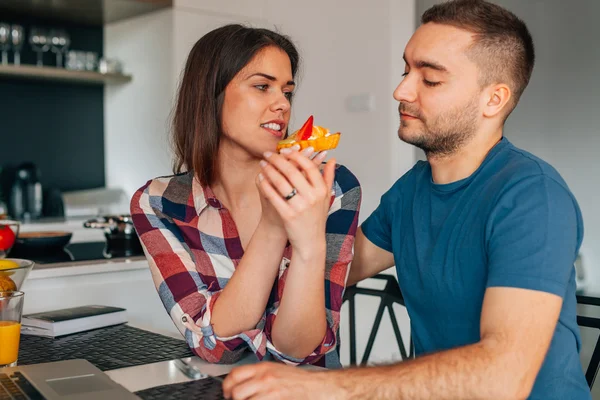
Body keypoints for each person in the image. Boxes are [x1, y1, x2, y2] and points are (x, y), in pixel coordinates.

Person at [222, 1, 592, 399]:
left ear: (494, 100)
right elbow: (327, 275)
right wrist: (288, 223)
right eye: (405, 70)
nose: (401, 90)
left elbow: (502, 380)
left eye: (430, 80)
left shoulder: (533, 197)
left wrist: (327, 387)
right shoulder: (411, 191)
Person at [130, 24, 361, 368]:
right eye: (262, 86)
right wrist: (272, 225)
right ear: (210, 95)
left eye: (287, 91)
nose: (282, 104)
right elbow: (213, 345)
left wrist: (309, 246)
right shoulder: (160, 203)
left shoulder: (328, 186)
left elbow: (297, 350)